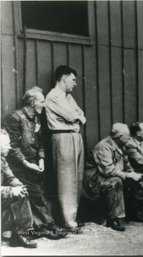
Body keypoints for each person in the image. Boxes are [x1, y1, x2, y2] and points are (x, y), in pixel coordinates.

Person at [4, 87, 67, 239]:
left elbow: (39, 143)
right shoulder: (15, 118)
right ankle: (47, 225)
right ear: (33, 103)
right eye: (42, 101)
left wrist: (41, 159)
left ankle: (40, 226)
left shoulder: (36, 118)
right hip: (19, 167)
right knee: (36, 193)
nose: (45, 105)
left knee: (39, 191)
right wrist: (26, 164)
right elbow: (12, 147)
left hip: (33, 164)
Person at [45, 65, 86, 231]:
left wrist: (76, 118)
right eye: (73, 79)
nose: (75, 83)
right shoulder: (54, 96)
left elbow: (81, 115)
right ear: (63, 78)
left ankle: (73, 217)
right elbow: (72, 115)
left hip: (75, 137)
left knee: (77, 178)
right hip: (62, 137)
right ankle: (69, 222)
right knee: (66, 180)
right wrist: (76, 118)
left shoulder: (68, 97)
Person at [83, 123, 143, 231]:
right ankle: (113, 219)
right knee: (115, 182)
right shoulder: (104, 147)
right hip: (95, 179)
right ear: (121, 137)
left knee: (138, 179)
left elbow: (127, 165)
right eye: (128, 135)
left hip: (108, 175)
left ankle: (132, 212)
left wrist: (133, 174)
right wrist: (129, 175)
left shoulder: (121, 146)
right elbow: (108, 171)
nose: (129, 137)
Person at [1, 129, 37, 248]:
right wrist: (11, 191)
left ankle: (23, 233)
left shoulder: (2, 160)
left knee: (21, 192)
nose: (9, 147)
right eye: (6, 145)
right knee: (14, 193)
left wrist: (19, 186)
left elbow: (11, 177)